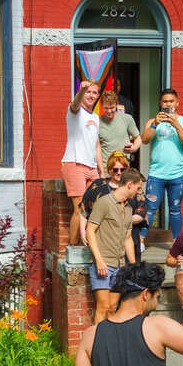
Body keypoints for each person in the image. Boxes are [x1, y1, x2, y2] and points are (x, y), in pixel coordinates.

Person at [85, 168, 142, 323]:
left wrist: (133, 266)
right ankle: (97, 339)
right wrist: (99, 260)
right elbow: (90, 230)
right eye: (137, 188)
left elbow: (128, 238)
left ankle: (109, 338)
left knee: (112, 307)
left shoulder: (129, 208)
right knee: (102, 307)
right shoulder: (104, 202)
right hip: (103, 263)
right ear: (129, 184)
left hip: (120, 265)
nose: (138, 192)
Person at [140, 88, 183, 241]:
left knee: (175, 210)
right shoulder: (152, 122)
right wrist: (155, 124)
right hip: (156, 174)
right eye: (165, 101)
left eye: (171, 101)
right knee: (150, 209)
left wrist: (176, 124)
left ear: (177, 103)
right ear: (160, 103)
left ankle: (176, 243)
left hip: (177, 174)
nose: (168, 104)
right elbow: (144, 140)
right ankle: (141, 240)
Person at [80, 150, 147, 260]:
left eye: (122, 169)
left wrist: (116, 221)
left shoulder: (135, 188)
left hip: (129, 237)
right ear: (109, 169)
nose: (119, 173)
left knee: (132, 269)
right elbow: (83, 209)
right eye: (115, 169)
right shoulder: (98, 186)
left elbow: (141, 213)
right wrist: (83, 231)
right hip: (105, 241)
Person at [63, 80, 103, 245]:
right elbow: (75, 104)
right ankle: (73, 247)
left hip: (92, 168)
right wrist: (81, 90)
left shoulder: (96, 118)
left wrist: (102, 171)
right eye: (88, 92)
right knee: (79, 209)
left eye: (94, 93)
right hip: (75, 164)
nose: (91, 95)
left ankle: (88, 244)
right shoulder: (75, 111)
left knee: (94, 207)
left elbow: (97, 146)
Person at [99, 91, 142, 164]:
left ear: (116, 104)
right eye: (106, 108)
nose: (109, 111)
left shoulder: (127, 118)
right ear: (102, 106)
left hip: (123, 166)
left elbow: (138, 138)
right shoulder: (97, 122)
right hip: (105, 167)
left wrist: (134, 148)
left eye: (112, 108)